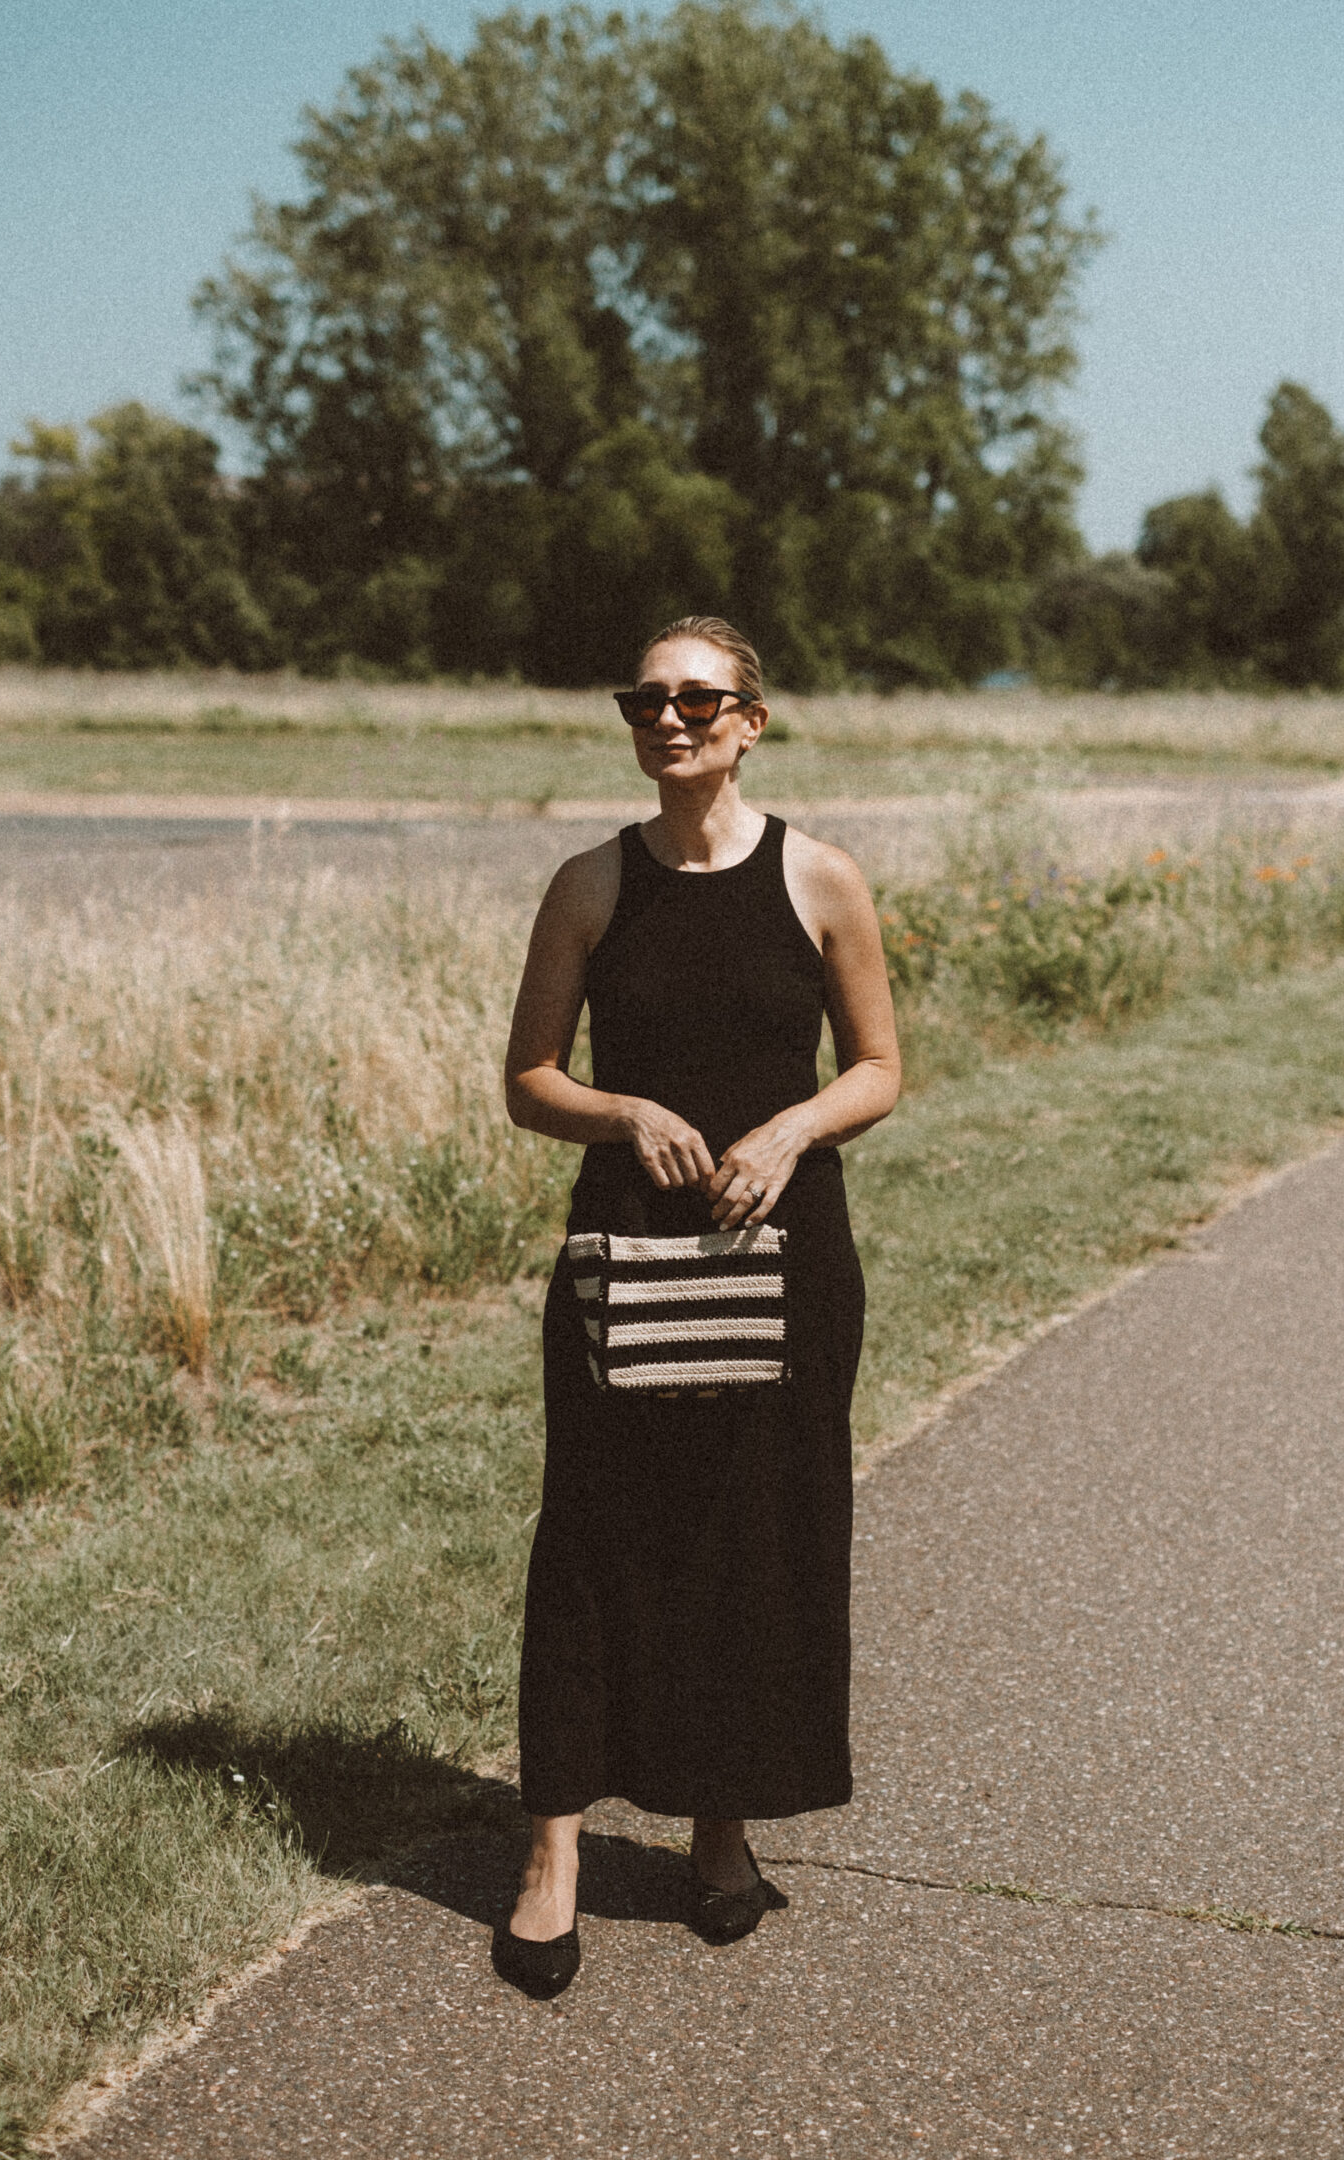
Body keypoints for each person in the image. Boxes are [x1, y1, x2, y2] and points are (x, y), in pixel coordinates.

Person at [498, 616, 900, 1996]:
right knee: (596, 1528)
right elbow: (529, 1079)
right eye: (645, 700)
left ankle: (719, 1832)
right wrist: (624, 1113)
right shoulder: (591, 884)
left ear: (752, 720)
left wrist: (791, 1135)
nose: (667, 720)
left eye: (696, 699)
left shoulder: (822, 878)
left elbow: (880, 1069)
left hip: (785, 1257)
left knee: (751, 1533)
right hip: (629, 1246)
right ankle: (552, 1853)